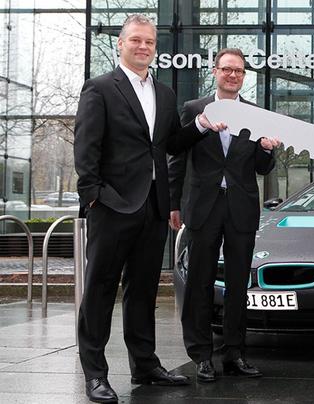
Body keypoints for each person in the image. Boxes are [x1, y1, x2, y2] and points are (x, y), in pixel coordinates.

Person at [74, 14, 226, 403]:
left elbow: (171, 144)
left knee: (142, 290)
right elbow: (86, 147)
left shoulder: (165, 93)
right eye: (136, 40)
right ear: (120, 44)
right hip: (112, 206)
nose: (144, 47)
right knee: (100, 290)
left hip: (153, 207)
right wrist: (93, 196)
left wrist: (201, 125)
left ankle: (144, 365)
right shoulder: (99, 88)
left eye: (150, 42)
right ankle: (95, 374)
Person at [167, 48, 280, 383]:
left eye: (239, 71)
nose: (233, 75)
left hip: (241, 209)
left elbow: (262, 168)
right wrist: (173, 202)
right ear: (215, 71)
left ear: (244, 76)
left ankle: (235, 353)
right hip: (202, 207)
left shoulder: (257, 114)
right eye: (227, 69)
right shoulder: (195, 110)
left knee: (238, 284)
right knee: (199, 282)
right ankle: (201, 355)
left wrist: (266, 150)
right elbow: (177, 156)